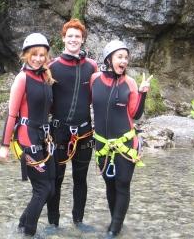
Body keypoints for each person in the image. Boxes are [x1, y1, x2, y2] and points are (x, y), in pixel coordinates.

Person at [90, 39, 152, 237]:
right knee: (109, 184)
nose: (123, 61)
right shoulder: (94, 79)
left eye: (126, 57)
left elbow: (135, 114)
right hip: (102, 144)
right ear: (109, 59)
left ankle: (114, 229)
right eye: (119, 57)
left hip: (126, 144)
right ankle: (115, 220)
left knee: (122, 184)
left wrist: (142, 94)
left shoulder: (130, 83)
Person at [0, 33, 55, 237]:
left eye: (42, 54)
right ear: (26, 55)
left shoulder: (45, 76)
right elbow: (12, 113)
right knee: (43, 189)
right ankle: (29, 233)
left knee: (49, 189)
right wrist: (5, 146)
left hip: (44, 139)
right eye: (34, 54)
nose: (38, 58)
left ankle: (23, 226)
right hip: (27, 140)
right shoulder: (22, 78)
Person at [47, 18, 98, 229]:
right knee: (55, 179)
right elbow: (41, 98)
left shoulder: (92, 67)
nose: (74, 39)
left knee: (80, 178)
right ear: (63, 38)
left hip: (84, 132)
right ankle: (53, 223)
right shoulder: (52, 67)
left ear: (83, 40)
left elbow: (101, 96)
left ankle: (78, 220)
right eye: (70, 36)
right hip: (58, 131)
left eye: (78, 36)